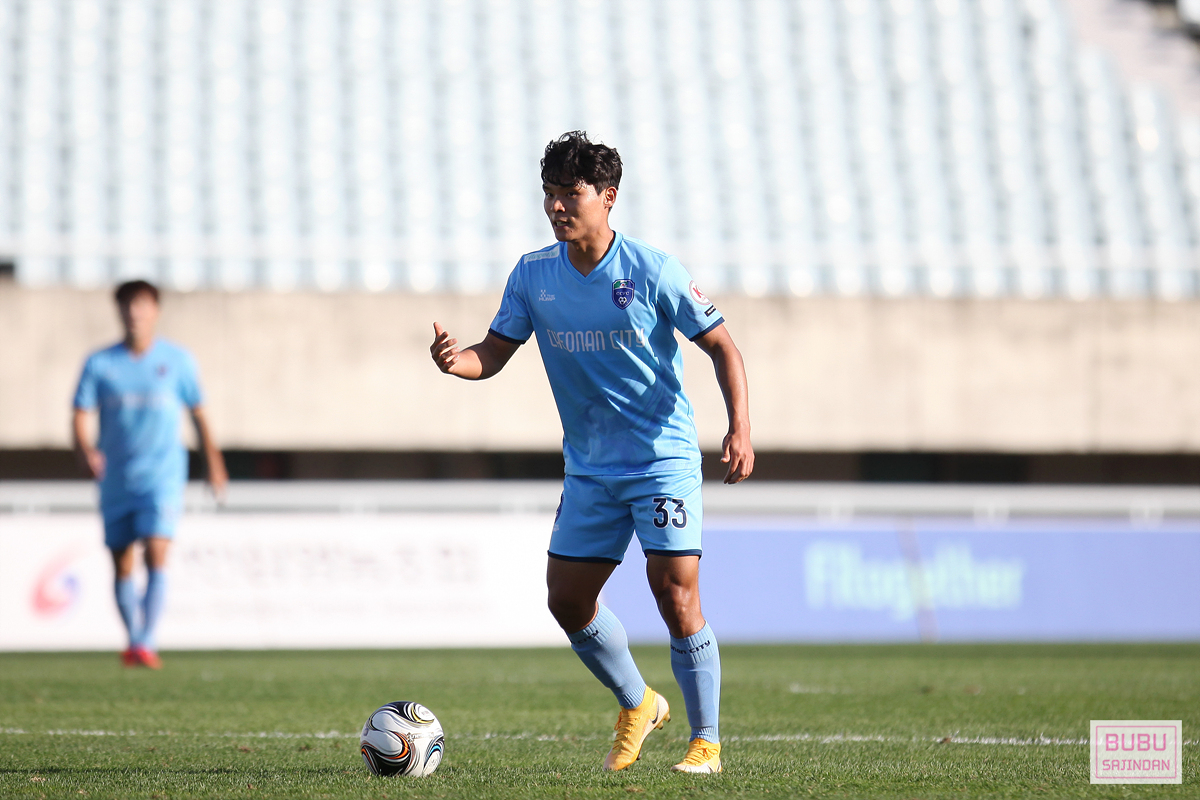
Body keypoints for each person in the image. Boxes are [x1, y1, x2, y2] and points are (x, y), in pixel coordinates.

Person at [430, 131, 753, 774]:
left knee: (674, 593)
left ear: (607, 196)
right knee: (567, 600)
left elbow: (723, 346)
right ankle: (639, 703)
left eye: (569, 194)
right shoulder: (533, 275)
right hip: (589, 467)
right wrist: (455, 361)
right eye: (548, 193)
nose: (556, 206)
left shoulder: (652, 270)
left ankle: (707, 742)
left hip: (660, 459)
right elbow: (494, 352)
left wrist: (739, 427)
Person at [72, 280, 227, 668]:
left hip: (162, 475)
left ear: (155, 311)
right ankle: (133, 638)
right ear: (119, 311)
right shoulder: (100, 363)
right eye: (127, 305)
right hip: (117, 478)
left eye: (141, 305)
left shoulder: (177, 360)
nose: (134, 313)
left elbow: (199, 413)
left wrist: (214, 461)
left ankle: (145, 642)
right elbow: (80, 412)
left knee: (157, 550)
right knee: (122, 560)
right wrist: (85, 449)